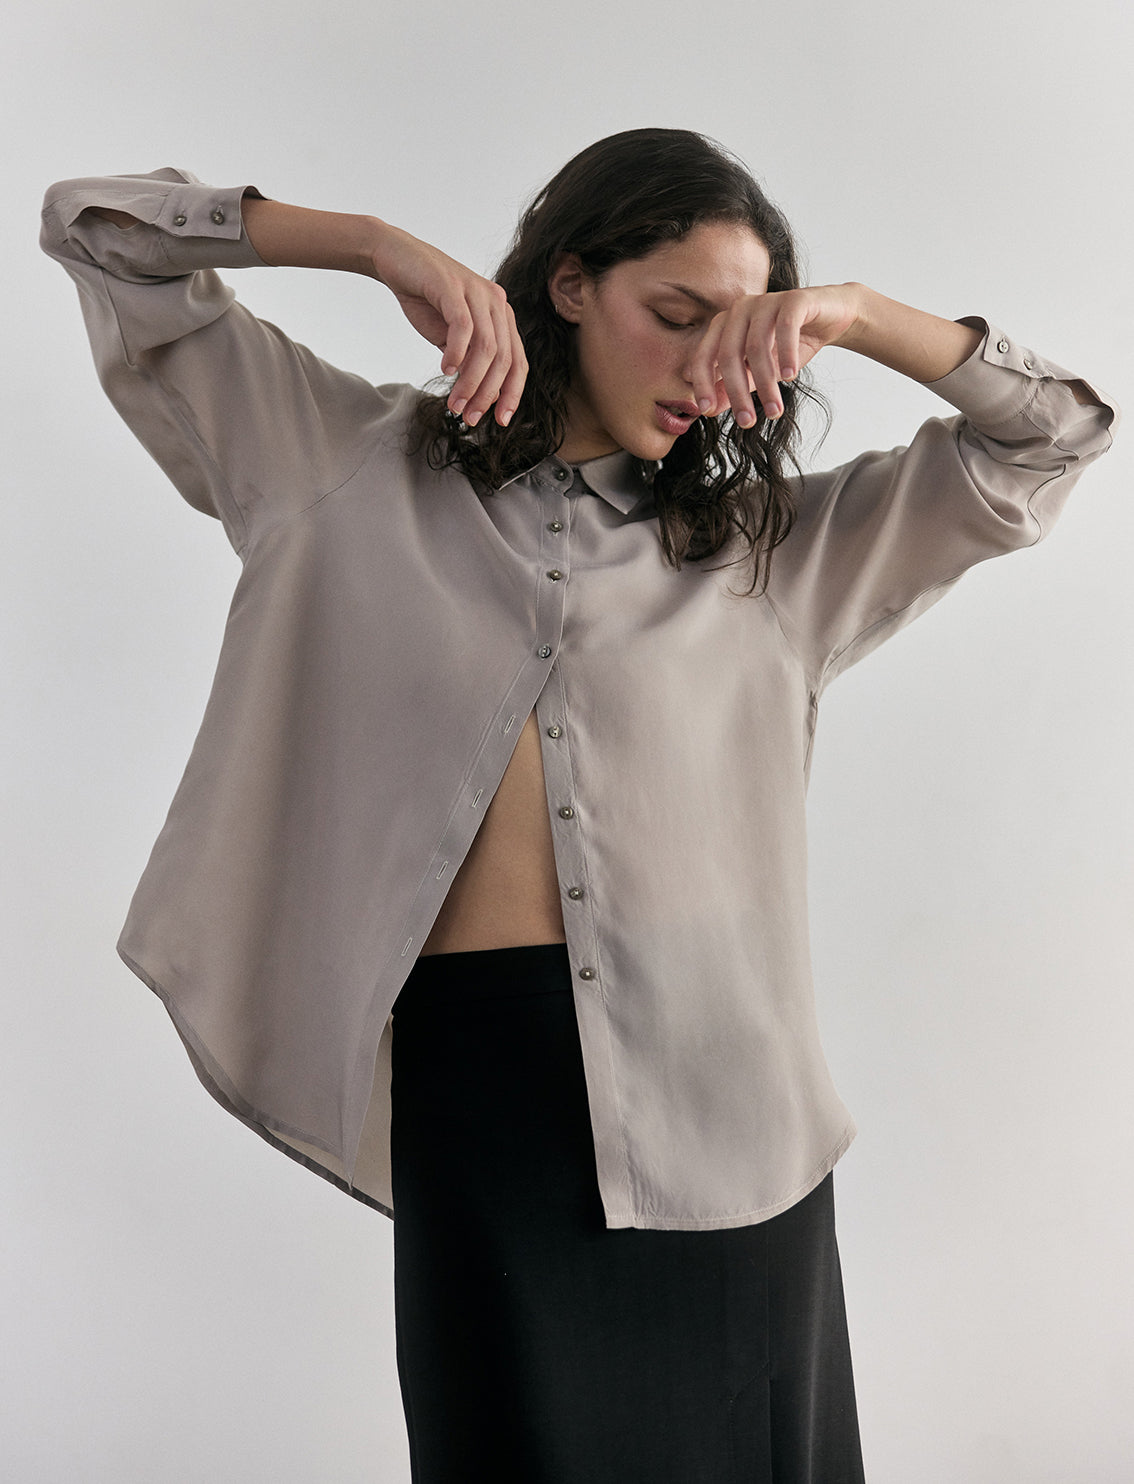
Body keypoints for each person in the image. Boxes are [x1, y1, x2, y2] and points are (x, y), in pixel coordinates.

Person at [40, 129, 1118, 1483]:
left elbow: (1053, 435)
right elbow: (97, 227)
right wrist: (369, 244)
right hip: (482, 1099)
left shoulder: (774, 557)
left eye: (742, 331)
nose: (708, 364)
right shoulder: (334, 461)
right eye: (677, 313)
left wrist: (850, 312)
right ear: (567, 284)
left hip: (732, 1118)